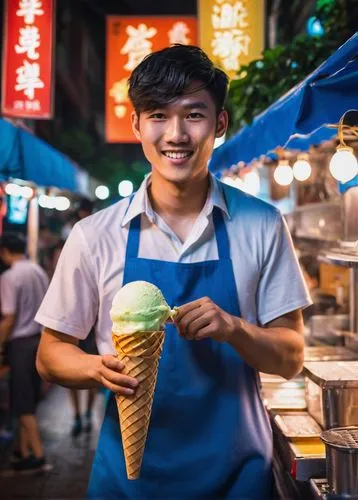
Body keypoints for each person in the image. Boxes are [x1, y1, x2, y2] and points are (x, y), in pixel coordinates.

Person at [35, 45, 311, 499]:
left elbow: (291, 356)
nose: (176, 134)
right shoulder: (94, 235)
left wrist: (236, 328)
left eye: (194, 115)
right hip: (128, 482)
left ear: (219, 124)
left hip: (238, 477)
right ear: (138, 125)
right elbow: (50, 353)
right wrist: (92, 367)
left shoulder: (262, 224)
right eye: (159, 115)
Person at [0, 232, 49, 472]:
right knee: (29, 396)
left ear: (5, 252)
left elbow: (9, 318)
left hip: (20, 344)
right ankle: (23, 450)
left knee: (22, 400)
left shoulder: (9, 276)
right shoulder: (37, 270)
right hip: (39, 341)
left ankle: (38, 455)